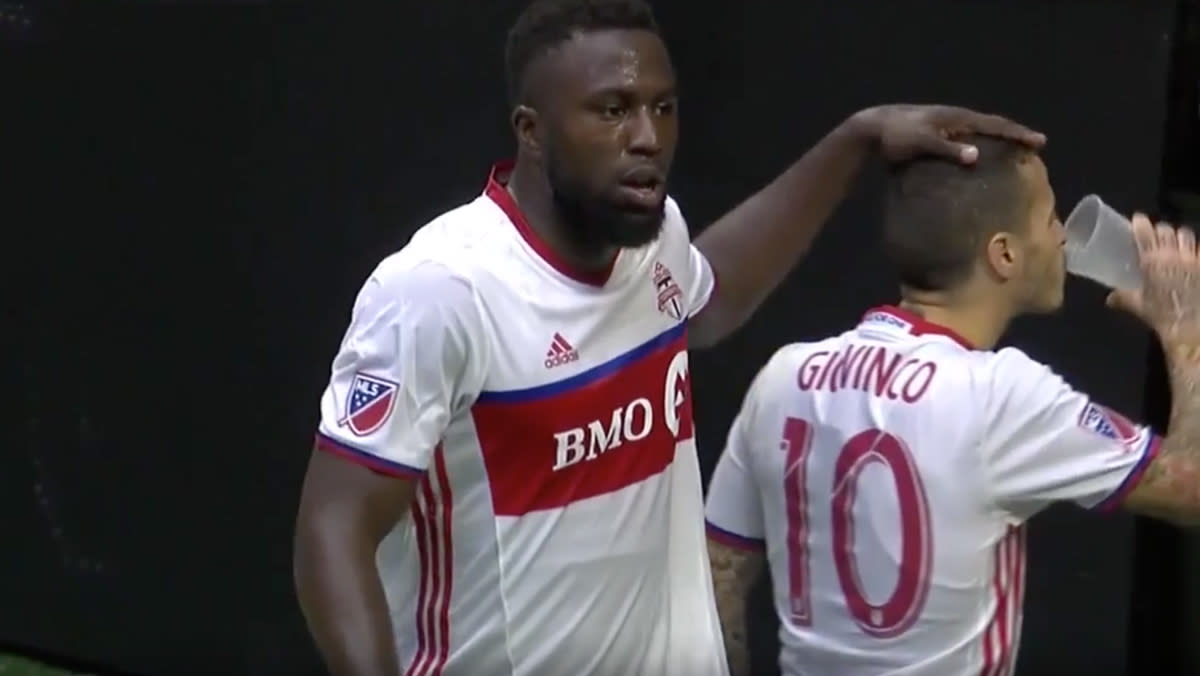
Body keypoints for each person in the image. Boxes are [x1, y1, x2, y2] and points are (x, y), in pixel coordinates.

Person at [290, 0, 1044, 672]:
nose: (647, 136)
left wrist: (857, 139)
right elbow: (334, 527)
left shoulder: (656, 244)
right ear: (533, 131)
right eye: (612, 110)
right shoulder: (441, 290)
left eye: (664, 106)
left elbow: (710, 298)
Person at [703, 134, 1200, 676]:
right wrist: (1186, 326)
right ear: (1004, 254)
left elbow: (720, 574)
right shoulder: (1001, 396)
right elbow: (1193, 488)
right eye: (1052, 218)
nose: (1062, 237)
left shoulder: (786, 375)